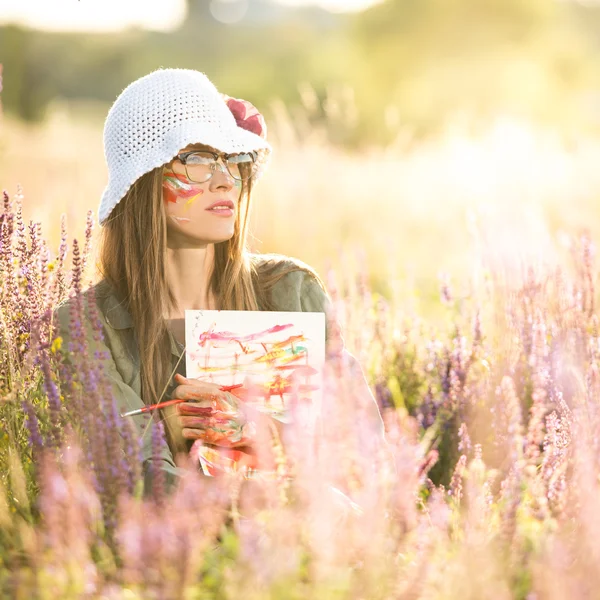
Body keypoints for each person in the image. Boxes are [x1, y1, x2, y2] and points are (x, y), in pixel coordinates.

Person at [53, 68, 385, 495]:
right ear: (142, 181)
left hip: (322, 552)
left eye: (231, 160)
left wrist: (261, 432)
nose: (226, 179)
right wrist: (162, 438)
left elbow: (368, 455)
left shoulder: (290, 292)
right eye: (197, 159)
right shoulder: (84, 326)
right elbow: (136, 486)